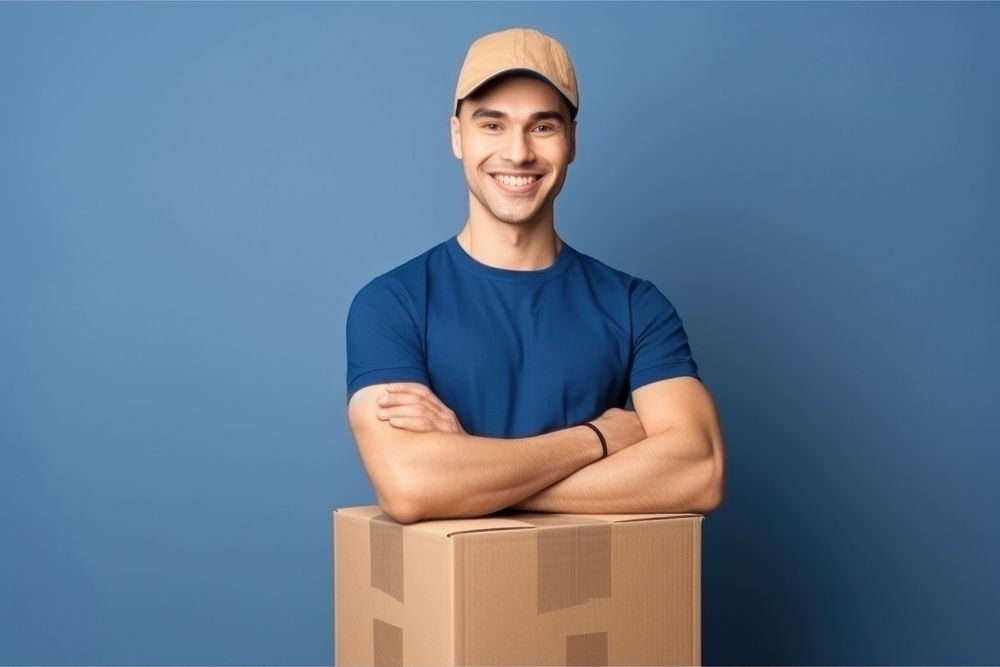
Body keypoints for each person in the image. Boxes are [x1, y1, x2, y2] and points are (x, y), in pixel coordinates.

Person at [345, 27, 725, 525]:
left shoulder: (636, 305)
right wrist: (601, 438)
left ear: (571, 141)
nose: (519, 153)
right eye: (492, 124)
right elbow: (411, 487)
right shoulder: (392, 303)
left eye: (543, 126)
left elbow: (699, 471)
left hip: (592, 596)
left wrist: (473, 476)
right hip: (448, 597)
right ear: (457, 136)